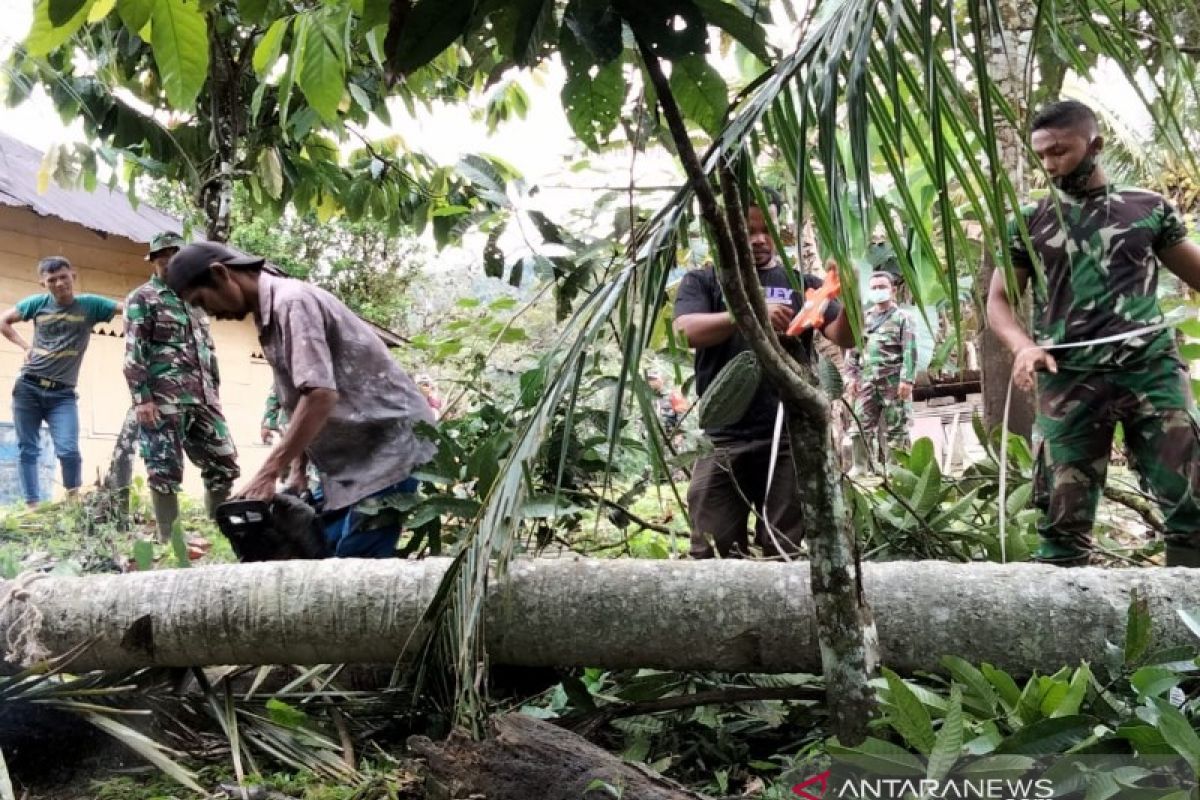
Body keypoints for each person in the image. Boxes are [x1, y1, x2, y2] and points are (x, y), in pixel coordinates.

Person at [987, 99, 1200, 567]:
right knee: (1062, 518)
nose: (1049, 164)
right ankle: (1066, 626)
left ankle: (1185, 624)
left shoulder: (1148, 209)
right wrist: (1023, 347)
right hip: (1068, 377)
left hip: (1151, 371)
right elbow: (998, 301)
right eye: (1041, 155)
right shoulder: (1030, 220)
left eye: (1060, 151)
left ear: (1095, 145)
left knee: (1191, 505)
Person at [166, 242, 437, 558]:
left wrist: (268, 472)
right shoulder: (269, 315)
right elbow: (298, 399)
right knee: (320, 550)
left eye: (202, 300)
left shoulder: (292, 302)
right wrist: (297, 470)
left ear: (221, 273)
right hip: (350, 463)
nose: (210, 313)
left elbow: (320, 396)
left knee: (354, 569)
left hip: (390, 447)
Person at [673, 202, 853, 559]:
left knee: (782, 547)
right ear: (725, 232)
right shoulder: (706, 280)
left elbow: (843, 336)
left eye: (765, 230)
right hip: (723, 436)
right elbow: (685, 331)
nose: (758, 239)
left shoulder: (800, 283)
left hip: (787, 436)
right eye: (748, 231)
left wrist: (848, 295)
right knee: (711, 547)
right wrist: (748, 314)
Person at [124, 232, 239, 539]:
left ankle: (221, 530)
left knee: (224, 462)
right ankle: (169, 537)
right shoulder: (142, 298)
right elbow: (134, 353)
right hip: (163, 399)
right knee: (164, 470)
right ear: (153, 260)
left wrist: (214, 391)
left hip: (204, 398)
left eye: (174, 255)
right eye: (161, 256)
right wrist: (142, 400)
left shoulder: (196, 300)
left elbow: (209, 351)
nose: (168, 261)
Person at [0, 257, 122, 507]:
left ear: (73, 276)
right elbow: (3, 320)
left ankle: (72, 501)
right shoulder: (36, 303)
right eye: (51, 280)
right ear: (43, 283)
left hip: (63, 395)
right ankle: (32, 504)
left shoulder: (90, 305)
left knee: (68, 450)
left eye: (63, 277)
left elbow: (128, 308)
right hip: (28, 388)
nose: (59, 283)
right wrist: (25, 346)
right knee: (28, 449)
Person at [844, 271, 916, 475]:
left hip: (894, 381)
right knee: (859, 426)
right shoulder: (864, 319)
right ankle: (860, 466)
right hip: (867, 382)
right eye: (874, 288)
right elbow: (853, 350)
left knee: (897, 428)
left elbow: (909, 350)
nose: (878, 291)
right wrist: (850, 376)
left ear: (893, 290)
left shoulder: (903, 318)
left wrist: (907, 380)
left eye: (882, 287)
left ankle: (896, 469)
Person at [646, 369, 688, 435]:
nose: (651, 382)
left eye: (654, 379)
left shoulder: (673, 395)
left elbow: (683, 416)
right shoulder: (647, 399)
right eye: (649, 380)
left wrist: (680, 436)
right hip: (654, 437)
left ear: (661, 380)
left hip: (670, 436)